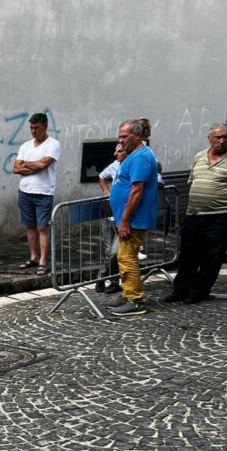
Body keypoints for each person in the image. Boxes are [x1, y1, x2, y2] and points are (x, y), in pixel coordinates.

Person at [167, 123, 227, 304]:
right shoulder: (199, 157)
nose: (222, 141)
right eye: (218, 137)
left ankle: (198, 291)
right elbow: (193, 181)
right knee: (188, 254)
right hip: (194, 214)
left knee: (212, 256)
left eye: (225, 137)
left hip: (220, 215)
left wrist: (225, 201)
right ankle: (181, 289)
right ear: (210, 139)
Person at [107, 119, 160, 317]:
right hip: (127, 218)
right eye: (119, 136)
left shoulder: (140, 158)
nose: (120, 141)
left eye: (124, 136)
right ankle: (128, 293)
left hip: (134, 219)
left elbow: (137, 191)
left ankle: (135, 299)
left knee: (127, 257)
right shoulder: (133, 156)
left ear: (137, 136)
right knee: (123, 256)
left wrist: (125, 220)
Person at [13, 113, 61, 276]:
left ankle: (43, 261)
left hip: (43, 191)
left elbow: (44, 165)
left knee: (42, 227)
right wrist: (35, 164)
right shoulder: (26, 146)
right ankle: (33, 256)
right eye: (31, 128)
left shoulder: (53, 144)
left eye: (37, 128)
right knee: (29, 225)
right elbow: (16, 168)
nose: (34, 131)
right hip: (25, 191)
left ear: (45, 127)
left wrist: (26, 164)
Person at [95, 145, 127, 293]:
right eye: (115, 150)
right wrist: (106, 192)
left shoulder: (135, 165)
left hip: (123, 215)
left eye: (119, 151)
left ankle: (101, 276)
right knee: (109, 250)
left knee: (115, 251)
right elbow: (102, 175)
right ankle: (113, 282)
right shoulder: (115, 165)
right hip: (110, 211)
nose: (115, 154)